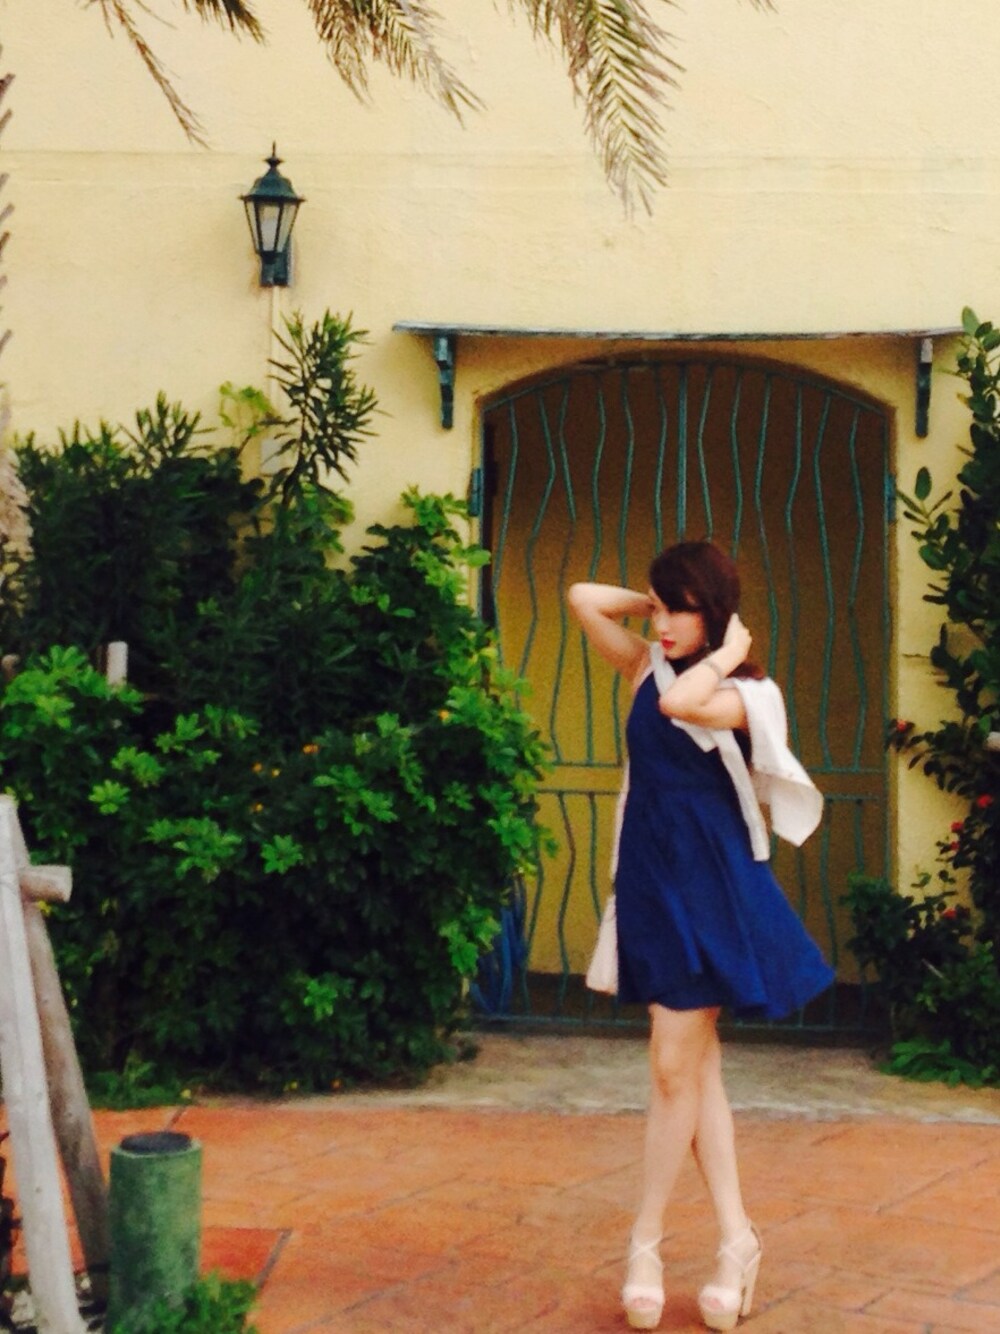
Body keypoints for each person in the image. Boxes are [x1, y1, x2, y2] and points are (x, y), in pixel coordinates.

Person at [567, 541, 834, 1332]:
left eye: (682, 608)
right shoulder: (645, 665)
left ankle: (644, 1245)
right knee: (694, 1071)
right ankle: (736, 1242)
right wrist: (652, 604)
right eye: (660, 607)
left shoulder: (749, 694)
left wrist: (725, 651)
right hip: (653, 880)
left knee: (670, 1065)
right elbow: (582, 597)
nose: (664, 623)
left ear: (715, 613)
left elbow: (683, 706)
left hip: (715, 886)